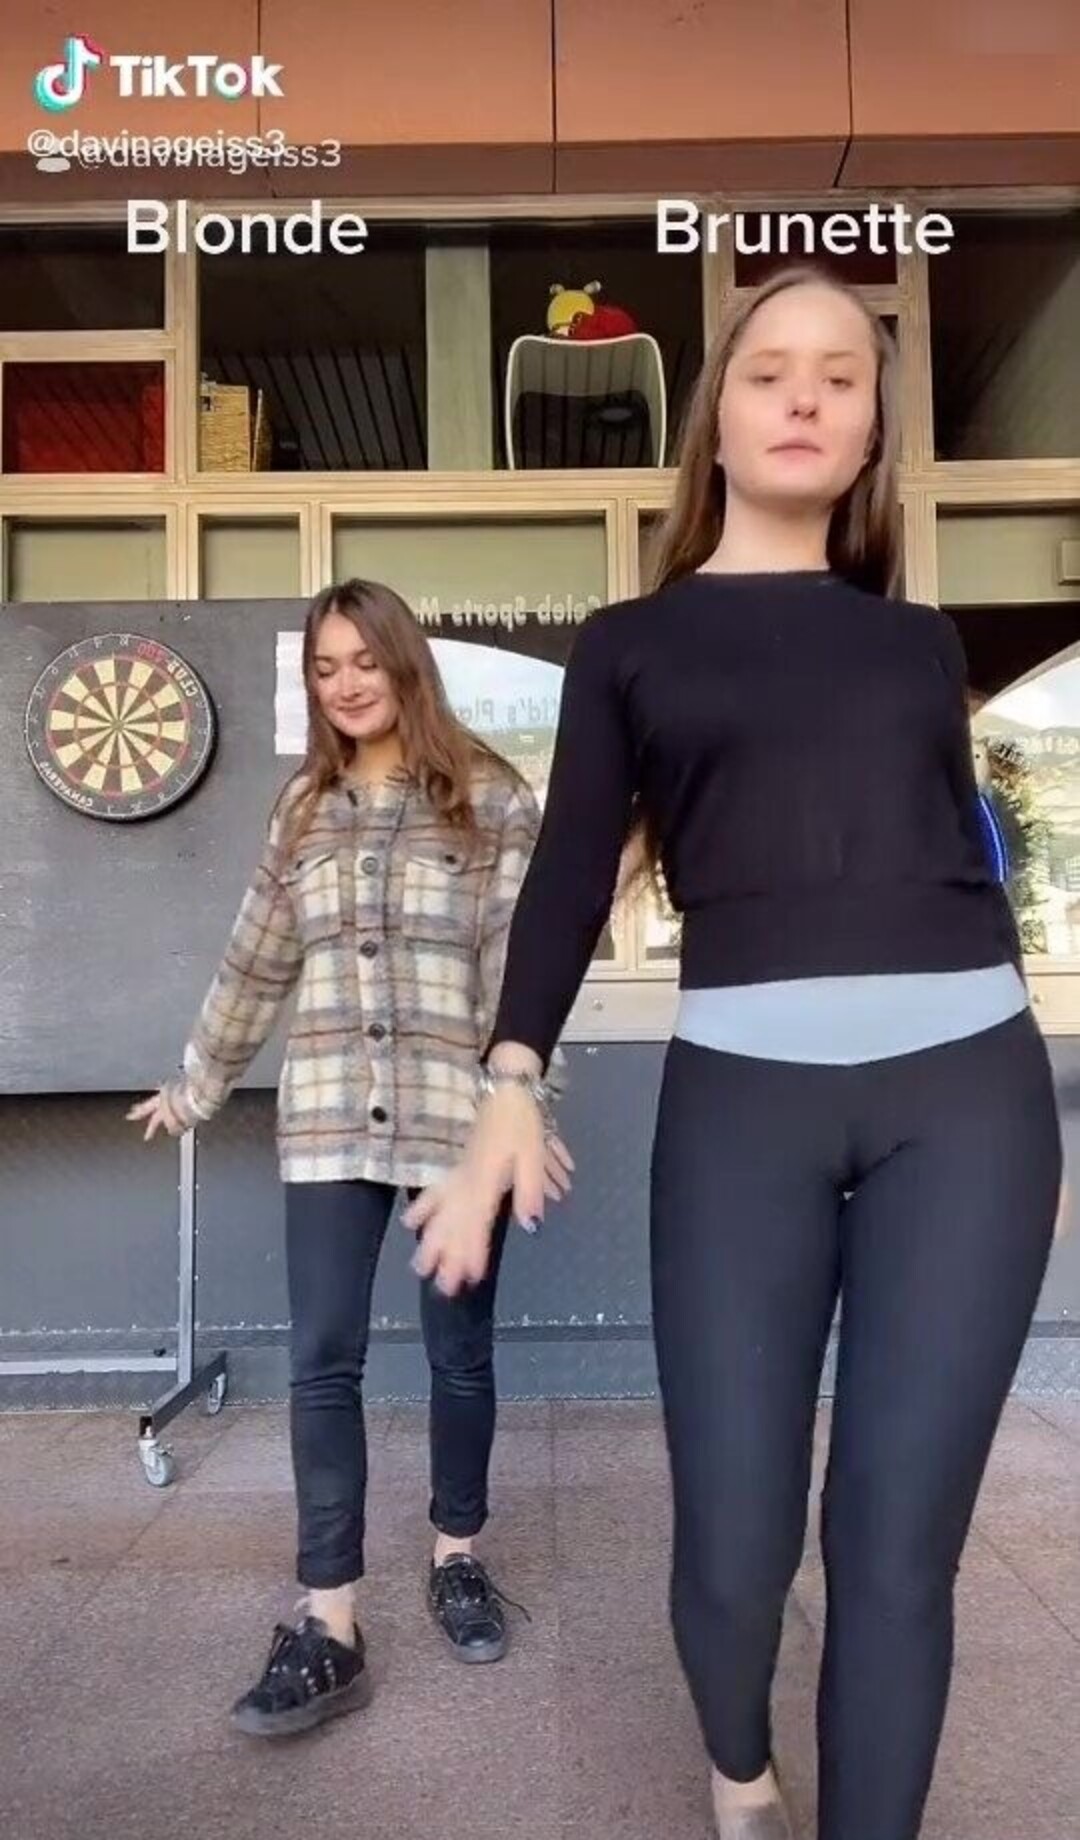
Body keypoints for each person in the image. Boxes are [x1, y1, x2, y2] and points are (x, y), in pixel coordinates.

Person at [402, 268, 1063, 1840]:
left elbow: (951, 853)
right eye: (771, 371)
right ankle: (740, 1764)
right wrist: (508, 1084)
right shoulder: (631, 644)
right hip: (742, 1110)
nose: (807, 396)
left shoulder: (919, 645)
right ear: (718, 416)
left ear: (874, 430)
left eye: (842, 375)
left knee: (895, 1548)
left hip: (967, 1096)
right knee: (736, 1546)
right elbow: (573, 871)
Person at [128, 579, 572, 1738]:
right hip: (328, 1117)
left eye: (364, 660)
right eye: (325, 667)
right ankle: (329, 1619)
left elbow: (521, 972)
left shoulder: (489, 797)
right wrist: (196, 1082)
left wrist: (524, 1112)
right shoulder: (302, 809)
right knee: (322, 1359)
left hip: (454, 1124)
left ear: (405, 662)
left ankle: (457, 1553)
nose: (346, 683)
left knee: (458, 1354)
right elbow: (256, 960)